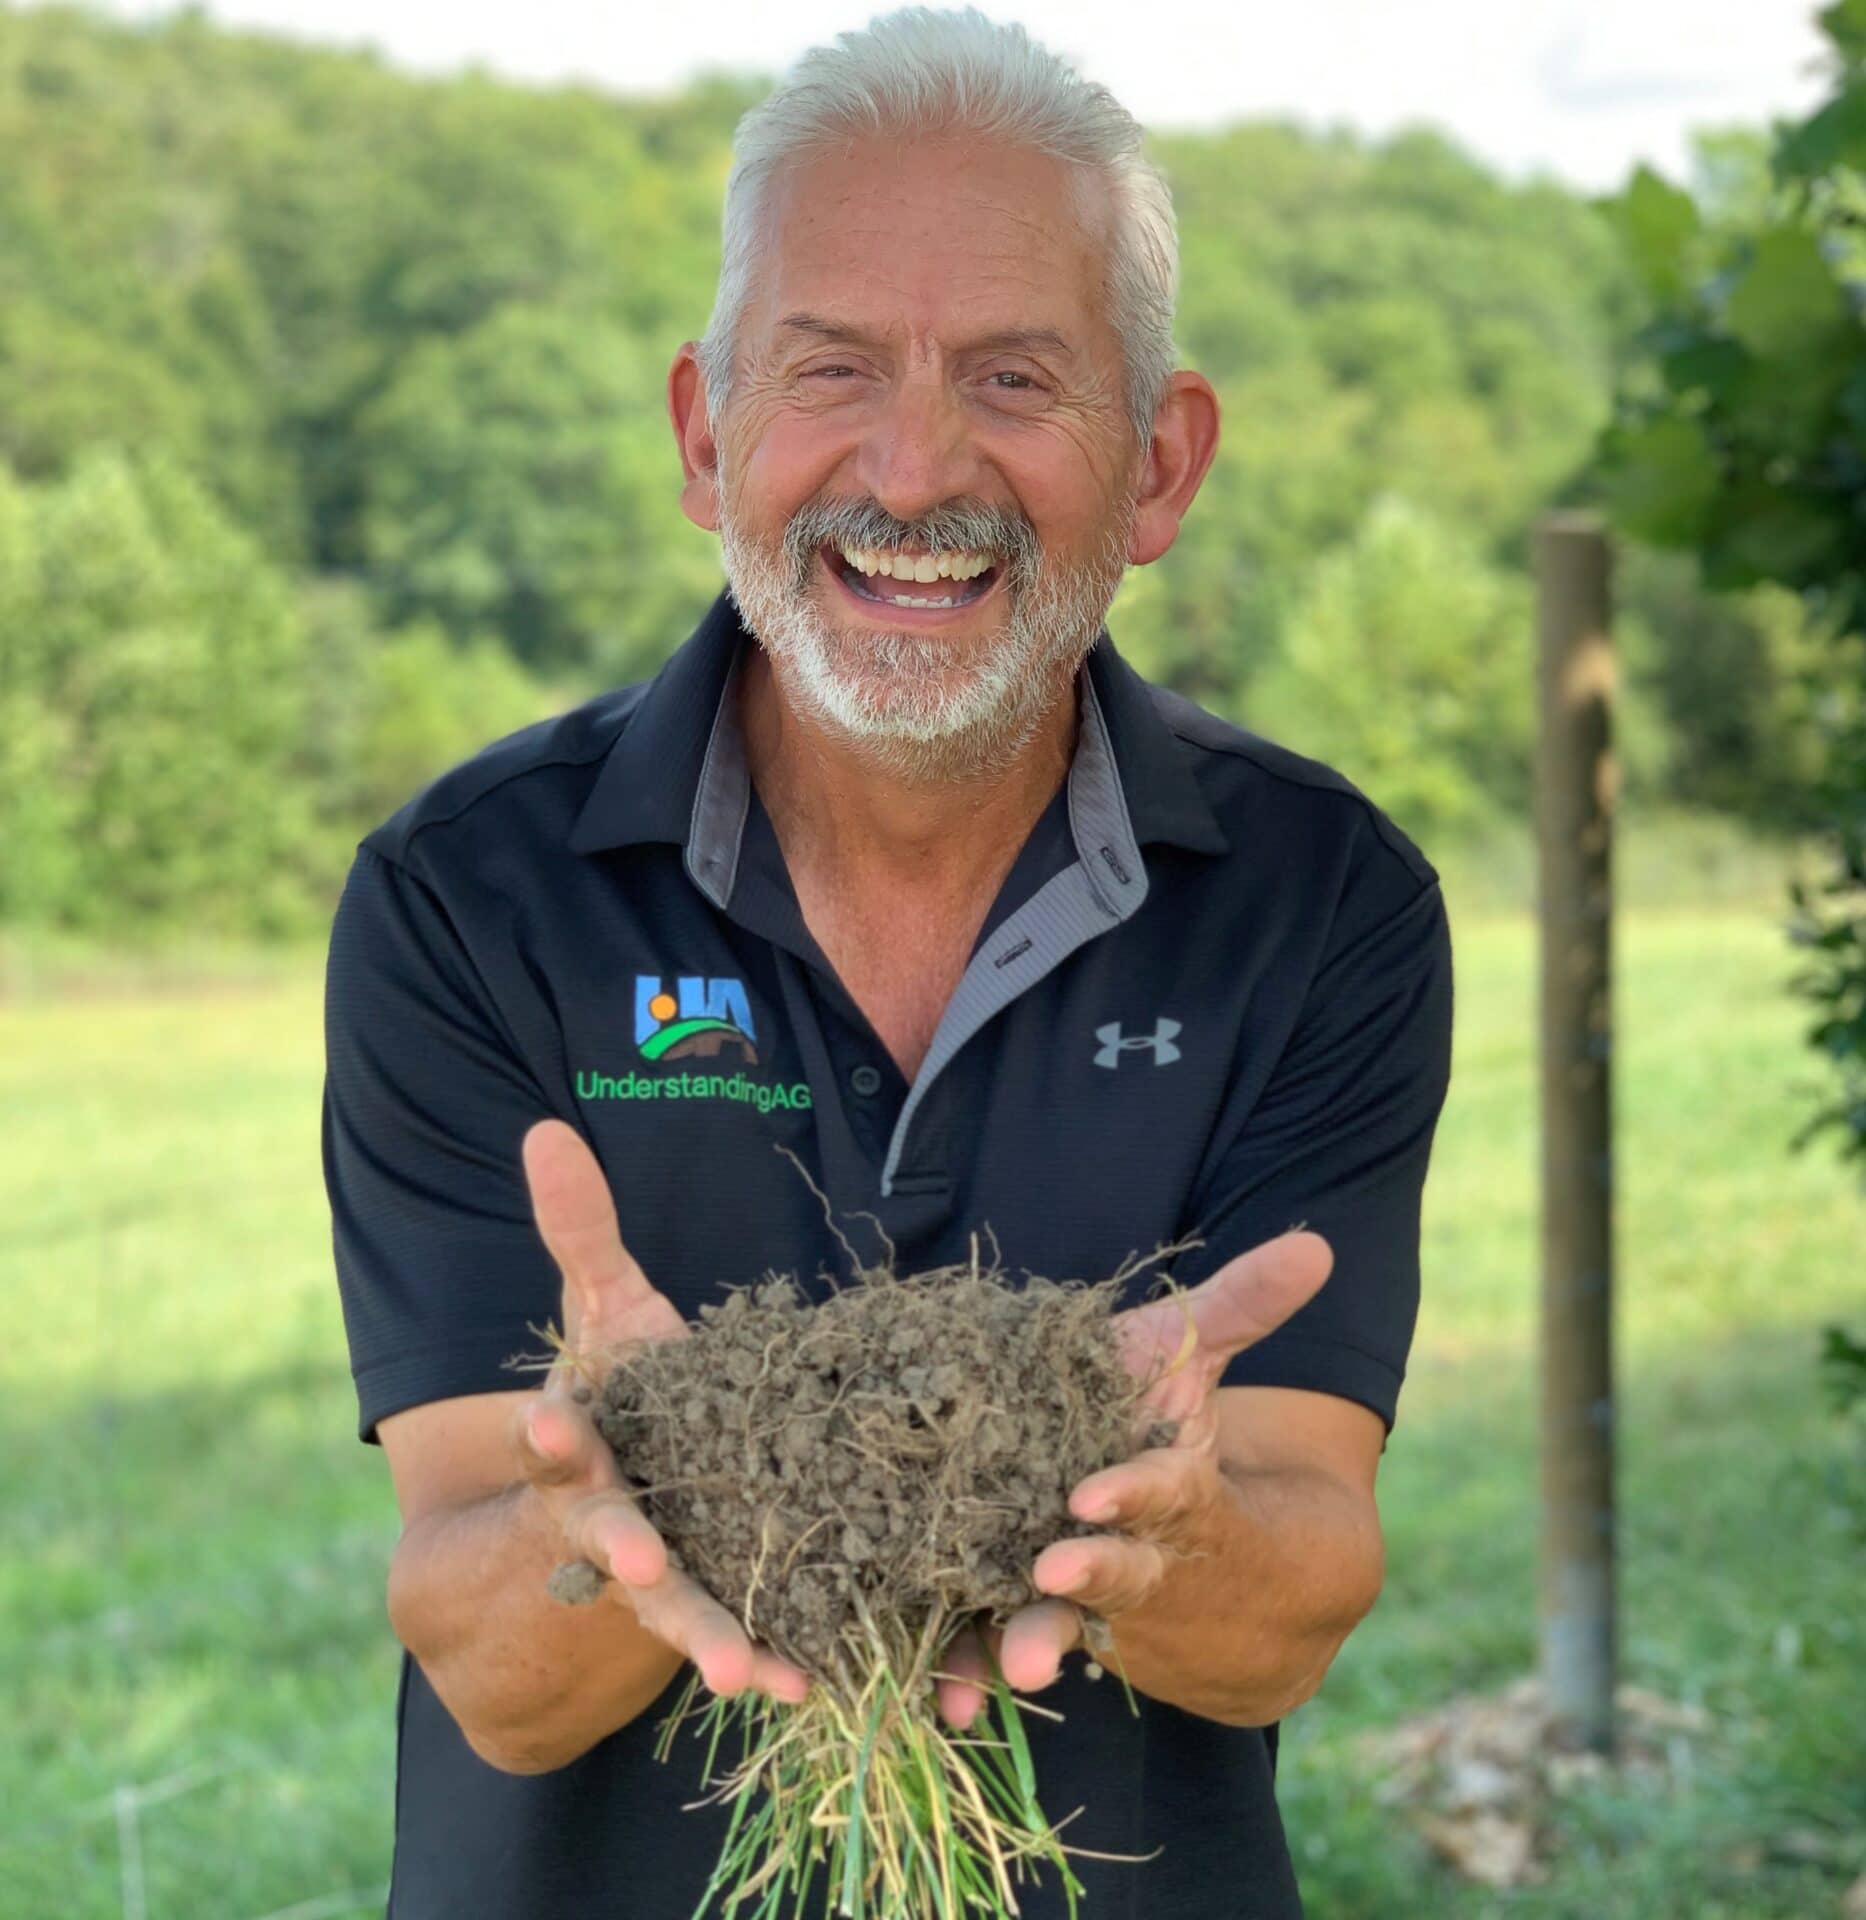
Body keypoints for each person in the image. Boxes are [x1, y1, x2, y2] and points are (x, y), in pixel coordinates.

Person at [321, 9, 1455, 1915]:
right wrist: (635, 1497)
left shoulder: (1318, 898)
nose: (915, 471)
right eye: (830, 367)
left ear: (1158, 464)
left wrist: (1155, 1526)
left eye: (1014, 377)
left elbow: (1283, 1622)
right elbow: (496, 1679)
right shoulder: (467, 896)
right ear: (707, 435)